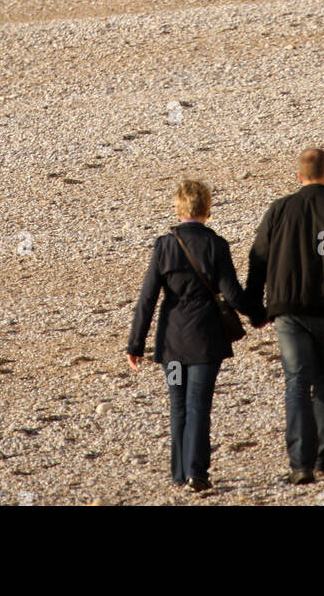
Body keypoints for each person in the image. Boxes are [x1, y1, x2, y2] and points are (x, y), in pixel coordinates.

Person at [247, 147, 324, 483]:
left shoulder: (279, 210)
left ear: (299, 177)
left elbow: (257, 259)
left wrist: (255, 308)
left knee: (297, 382)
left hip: (289, 312)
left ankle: (301, 463)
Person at [127, 178, 256, 492]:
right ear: (207, 210)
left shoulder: (164, 245)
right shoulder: (216, 245)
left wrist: (135, 344)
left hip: (172, 343)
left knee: (178, 404)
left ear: (178, 208)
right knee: (199, 404)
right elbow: (234, 294)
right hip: (206, 341)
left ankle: (178, 473)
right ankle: (197, 473)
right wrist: (260, 314)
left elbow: (147, 298)